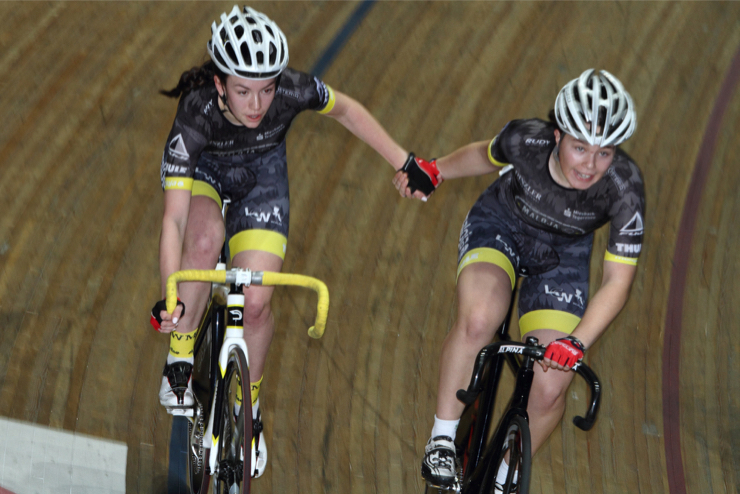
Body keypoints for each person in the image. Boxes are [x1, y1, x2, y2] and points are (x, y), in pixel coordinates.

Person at [149, 5, 416, 478]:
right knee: (205, 237)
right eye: (243, 91)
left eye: (267, 89)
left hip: (262, 181)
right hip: (206, 175)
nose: (257, 104)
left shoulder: (293, 89)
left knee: (256, 302)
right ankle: (182, 354)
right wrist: (171, 297)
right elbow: (174, 219)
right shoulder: (196, 110)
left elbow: (347, 110)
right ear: (219, 84)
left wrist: (403, 160)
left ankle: (249, 408)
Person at [395, 69, 644, 490]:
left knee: (551, 387)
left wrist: (576, 343)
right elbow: (483, 156)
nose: (590, 165)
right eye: (580, 147)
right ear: (557, 135)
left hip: (561, 256)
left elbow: (618, 282)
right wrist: (435, 170)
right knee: (480, 319)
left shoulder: (625, 188)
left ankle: (502, 478)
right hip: (502, 225)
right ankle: (442, 440)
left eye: (604, 153)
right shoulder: (525, 140)